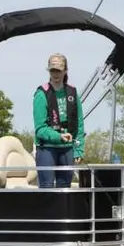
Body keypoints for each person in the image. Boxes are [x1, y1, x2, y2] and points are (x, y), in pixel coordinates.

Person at [32, 53, 85, 188]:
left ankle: (63, 209)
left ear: (65, 71)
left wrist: (79, 149)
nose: (55, 74)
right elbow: (40, 129)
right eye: (52, 70)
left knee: (64, 189)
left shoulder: (73, 93)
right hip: (47, 149)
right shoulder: (41, 94)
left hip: (67, 149)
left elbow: (79, 123)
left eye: (59, 71)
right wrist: (59, 136)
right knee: (47, 187)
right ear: (49, 71)